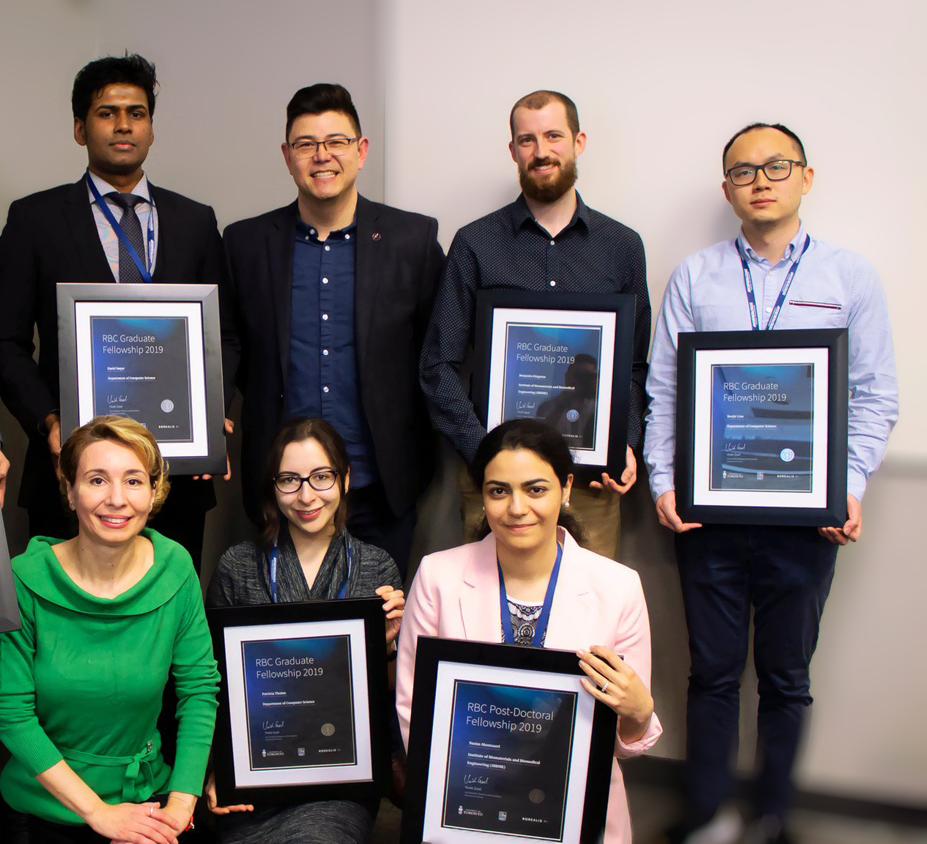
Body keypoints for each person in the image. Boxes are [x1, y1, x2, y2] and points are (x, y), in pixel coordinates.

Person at [645, 123, 897, 844]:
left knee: (788, 679)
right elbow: (666, 390)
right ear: (727, 189)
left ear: (806, 178)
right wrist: (666, 482)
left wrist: (847, 486)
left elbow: (877, 396)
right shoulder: (696, 276)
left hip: (807, 520)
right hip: (710, 517)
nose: (760, 179)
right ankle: (706, 815)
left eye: (775, 166)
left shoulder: (850, 278)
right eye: (743, 170)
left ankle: (773, 818)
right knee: (713, 675)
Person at [0, 53, 231, 566]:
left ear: (151, 127)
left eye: (137, 113)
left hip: (175, 475)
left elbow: (223, 335)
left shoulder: (195, 221)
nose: (124, 125)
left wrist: (211, 414)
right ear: (80, 129)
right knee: (70, 631)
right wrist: (51, 421)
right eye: (107, 112)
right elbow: (5, 343)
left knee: (165, 626)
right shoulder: (35, 220)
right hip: (72, 476)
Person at [396, 419, 661, 844]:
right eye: (498, 491)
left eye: (536, 489)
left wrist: (639, 711)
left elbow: (625, 743)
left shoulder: (618, 586)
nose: (516, 508)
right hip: (466, 798)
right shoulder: (438, 576)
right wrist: (475, 787)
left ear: (567, 488)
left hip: (572, 805)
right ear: (482, 494)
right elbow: (415, 709)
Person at [222, 84, 445, 570]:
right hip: (280, 492)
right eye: (305, 144)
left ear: (361, 151)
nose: (322, 156)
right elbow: (228, 345)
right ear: (287, 156)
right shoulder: (244, 244)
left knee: (380, 631)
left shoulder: (413, 239)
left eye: (336, 142)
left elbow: (437, 354)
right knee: (288, 640)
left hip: (380, 486)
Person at [420, 90, 650, 558]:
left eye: (553, 136)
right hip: (498, 483)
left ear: (578, 141)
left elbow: (635, 365)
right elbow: (437, 365)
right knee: (489, 619)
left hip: (589, 481)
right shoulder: (476, 243)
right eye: (527, 140)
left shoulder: (622, 246)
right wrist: (485, 451)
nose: (541, 151)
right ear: (512, 151)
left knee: (583, 616)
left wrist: (623, 442)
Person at [0, 415, 220, 844]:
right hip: (45, 808)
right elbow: (10, 713)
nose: (116, 499)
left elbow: (199, 690)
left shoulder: (176, 569)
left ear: (154, 493)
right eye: (97, 480)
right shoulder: (23, 578)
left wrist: (180, 807)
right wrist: (100, 814)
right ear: (70, 492)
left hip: (149, 798)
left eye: (133, 481)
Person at [204, 417, 405, 843]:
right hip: (253, 774)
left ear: (345, 479)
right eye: (289, 480)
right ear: (272, 489)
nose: (306, 495)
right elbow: (211, 684)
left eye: (321, 476)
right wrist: (215, 767)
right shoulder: (238, 566)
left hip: (338, 775)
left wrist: (385, 648)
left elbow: (390, 691)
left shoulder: (377, 567)